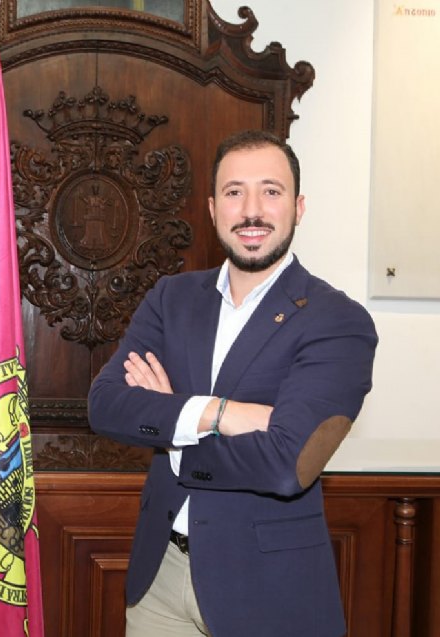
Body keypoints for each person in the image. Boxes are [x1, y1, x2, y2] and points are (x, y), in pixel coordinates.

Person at [87, 129, 378, 637]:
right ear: (212, 206)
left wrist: (174, 428)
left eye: (271, 190)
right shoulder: (171, 298)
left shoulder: (337, 320)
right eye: (234, 192)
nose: (251, 210)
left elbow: (289, 462)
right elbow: (107, 404)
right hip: (159, 582)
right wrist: (218, 413)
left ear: (299, 206)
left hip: (268, 590)